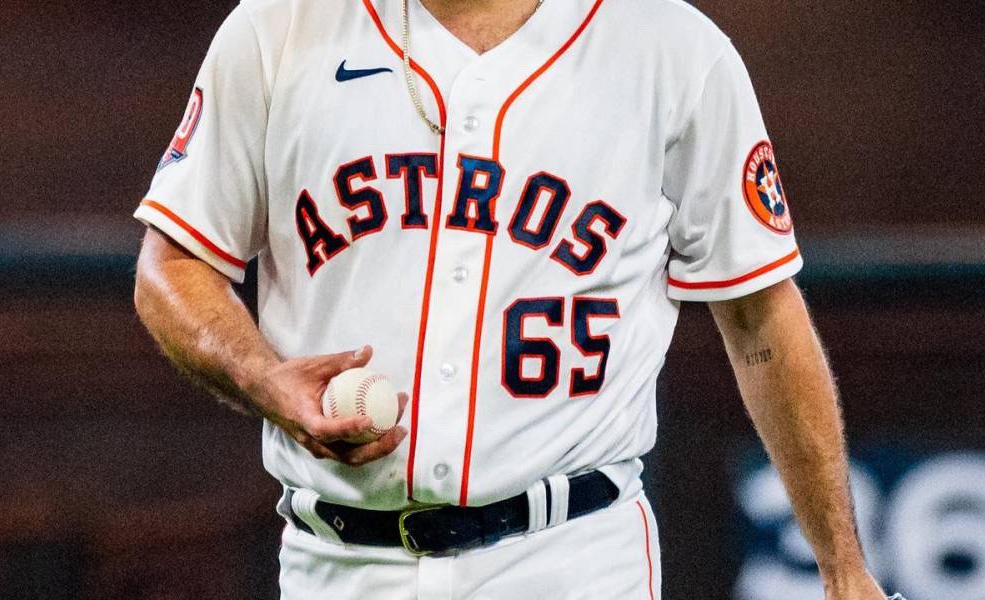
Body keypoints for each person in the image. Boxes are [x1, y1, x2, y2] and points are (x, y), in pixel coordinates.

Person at [132, 0, 897, 597]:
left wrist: (842, 571)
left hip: (572, 558)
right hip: (337, 565)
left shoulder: (672, 52)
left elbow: (760, 311)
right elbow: (172, 266)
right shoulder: (277, 29)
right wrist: (264, 380)